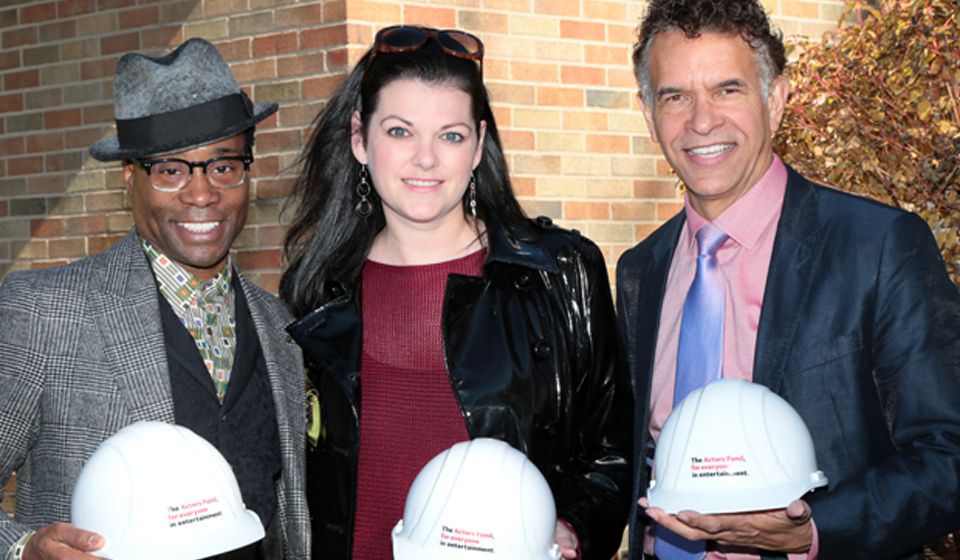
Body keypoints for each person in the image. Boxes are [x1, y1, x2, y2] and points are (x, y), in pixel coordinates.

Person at [616, 0, 960, 559]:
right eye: (676, 95)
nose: (702, 121)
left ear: (775, 100)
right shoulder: (641, 269)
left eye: (728, 89)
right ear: (648, 113)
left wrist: (815, 530)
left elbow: (948, 449)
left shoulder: (876, 246)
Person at [280, 24, 633, 560]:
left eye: (450, 135)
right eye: (399, 132)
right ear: (359, 138)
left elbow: (612, 453)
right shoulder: (315, 293)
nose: (426, 159)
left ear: (478, 146)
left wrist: (571, 529)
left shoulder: (559, 274)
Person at [0, 38, 309, 560]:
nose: (202, 193)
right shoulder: (43, 313)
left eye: (223, 165)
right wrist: (24, 548)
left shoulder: (282, 327)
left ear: (247, 172)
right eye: (170, 170)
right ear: (130, 179)